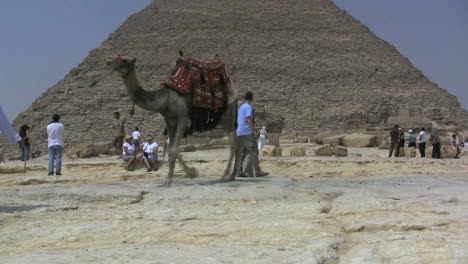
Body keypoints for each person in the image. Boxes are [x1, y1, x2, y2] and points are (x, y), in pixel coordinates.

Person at [235, 91, 268, 178]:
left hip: (239, 132)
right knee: (254, 151)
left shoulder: (241, 107)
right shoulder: (248, 107)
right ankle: (257, 172)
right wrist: (254, 131)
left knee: (242, 153)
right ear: (251, 98)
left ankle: (239, 172)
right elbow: (248, 119)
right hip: (246, 132)